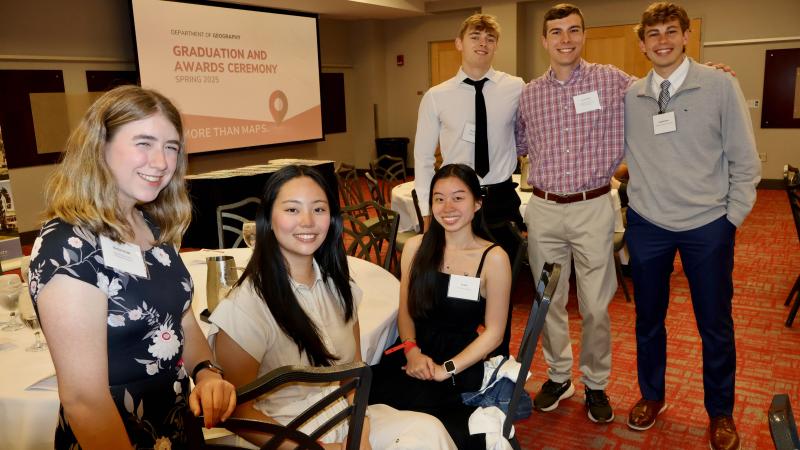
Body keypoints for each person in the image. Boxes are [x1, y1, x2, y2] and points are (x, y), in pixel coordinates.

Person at [27, 85, 236, 449]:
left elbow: (181, 319)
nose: (162, 162)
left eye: (171, 147)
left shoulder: (151, 226)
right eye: (144, 143)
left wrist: (206, 373)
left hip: (174, 428)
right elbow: (83, 401)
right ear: (99, 146)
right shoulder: (69, 246)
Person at [208, 165, 456, 450]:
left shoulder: (340, 289)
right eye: (292, 210)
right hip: (281, 435)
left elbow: (354, 378)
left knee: (428, 432)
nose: (307, 221)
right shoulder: (245, 307)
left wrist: (360, 436)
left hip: (342, 418)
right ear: (268, 220)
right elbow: (237, 412)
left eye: (318, 209)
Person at [623, 3, 760, 449]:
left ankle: (720, 411)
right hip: (648, 224)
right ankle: (652, 396)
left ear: (686, 36)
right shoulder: (631, 95)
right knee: (648, 320)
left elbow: (745, 159)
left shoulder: (719, 84)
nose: (662, 40)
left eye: (671, 31)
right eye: (653, 34)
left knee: (714, 324)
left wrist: (730, 220)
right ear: (642, 44)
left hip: (708, 225)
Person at [515, 3, 629, 424]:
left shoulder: (612, 81)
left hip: (592, 206)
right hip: (544, 208)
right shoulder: (529, 94)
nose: (566, 39)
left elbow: (660, 89)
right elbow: (519, 143)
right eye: (557, 32)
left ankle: (595, 382)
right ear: (544, 40)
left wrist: (706, 74)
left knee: (596, 306)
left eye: (573, 30)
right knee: (548, 300)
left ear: (584, 35)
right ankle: (559, 376)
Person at [370, 164, 512, 450]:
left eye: (458, 198)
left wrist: (445, 370)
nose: (448, 207)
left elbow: (495, 333)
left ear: (477, 203)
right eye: (439, 198)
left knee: (429, 426)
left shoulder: (494, 258)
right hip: (413, 353)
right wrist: (411, 351)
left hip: (460, 361)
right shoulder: (416, 248)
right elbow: (405, 311)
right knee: (366, 398)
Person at [413, 14, 525, 249]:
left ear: (496, 46)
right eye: (475, 37)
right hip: (455, 199)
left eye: (490, 39)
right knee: (458, 268)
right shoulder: (436, 96)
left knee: (506, 267)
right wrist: (426, 210)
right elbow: (423, 158)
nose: (483, 43)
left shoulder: (516, 88)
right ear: (459, 43)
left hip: (501, 199)